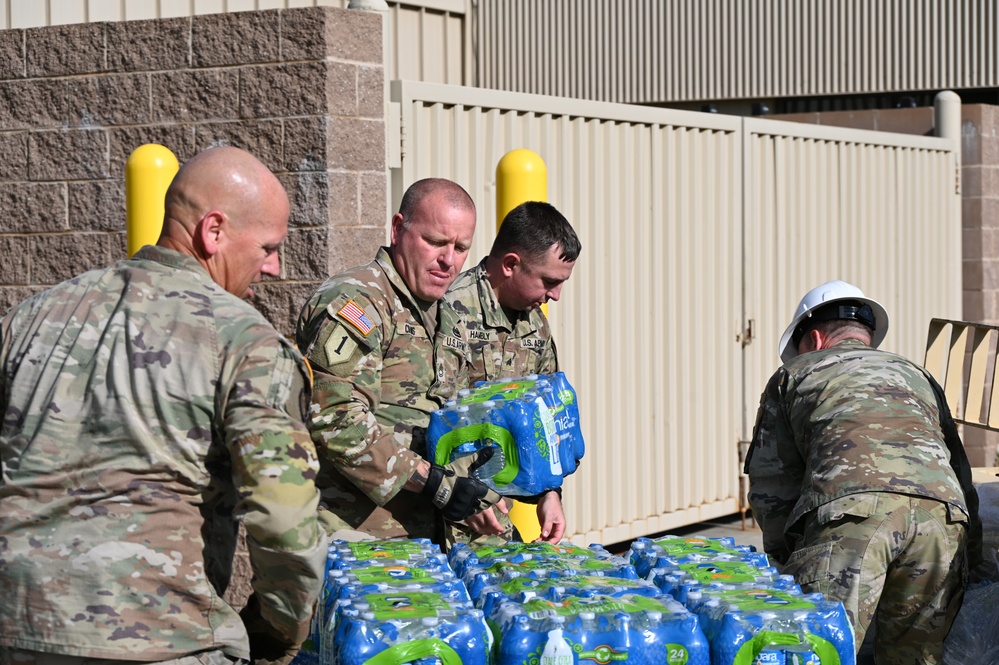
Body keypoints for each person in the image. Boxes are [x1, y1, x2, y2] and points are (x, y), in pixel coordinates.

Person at [0, 147, 327, 665]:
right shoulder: (244, 340)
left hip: (18, 628)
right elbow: (284, 516)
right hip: (161, 638)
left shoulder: (30, 318)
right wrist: (281, 629)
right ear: (213, 231)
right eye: (268, 246)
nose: (274, 267)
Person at [745, 279, 982, 665]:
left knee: (822, 651)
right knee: (913, 657)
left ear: (816, 338)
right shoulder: (915, 374)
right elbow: (959, 470)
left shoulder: (796, 374)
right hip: (942, 523)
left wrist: (784, 559)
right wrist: (973, 557)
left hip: (852, 513)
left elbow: (774, 482)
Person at [295, 178, 505, 544]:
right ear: (397, 229)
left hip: (424, 540)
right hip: (357, 538)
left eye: (461, 247)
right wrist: (436, 484)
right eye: (436, 242)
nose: (448, 260)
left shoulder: (444, 310)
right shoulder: (358, 301)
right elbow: (335, 417)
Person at [445, 201, 581, 545]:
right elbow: (428, 422)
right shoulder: (447, 311)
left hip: (494, 519)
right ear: (510, 264)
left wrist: (550, 495)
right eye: (549, 281)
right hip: (441, 517)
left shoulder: (534, 324)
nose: (556, 295)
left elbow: (545, 417)